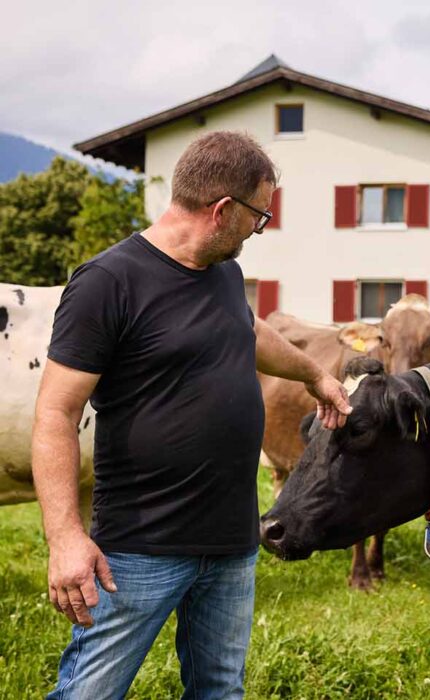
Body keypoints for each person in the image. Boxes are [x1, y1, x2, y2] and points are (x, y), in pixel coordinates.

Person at [32, 131, 352, 699]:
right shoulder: (108, 282)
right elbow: (56, 414)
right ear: (223, 209)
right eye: (260, 216)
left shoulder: (224, 275)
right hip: (138, 549)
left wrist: (315, 375)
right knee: (89, 694)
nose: (260, 231)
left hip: (231, 545)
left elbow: (251, 334)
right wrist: (64, 538)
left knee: (220, 691)